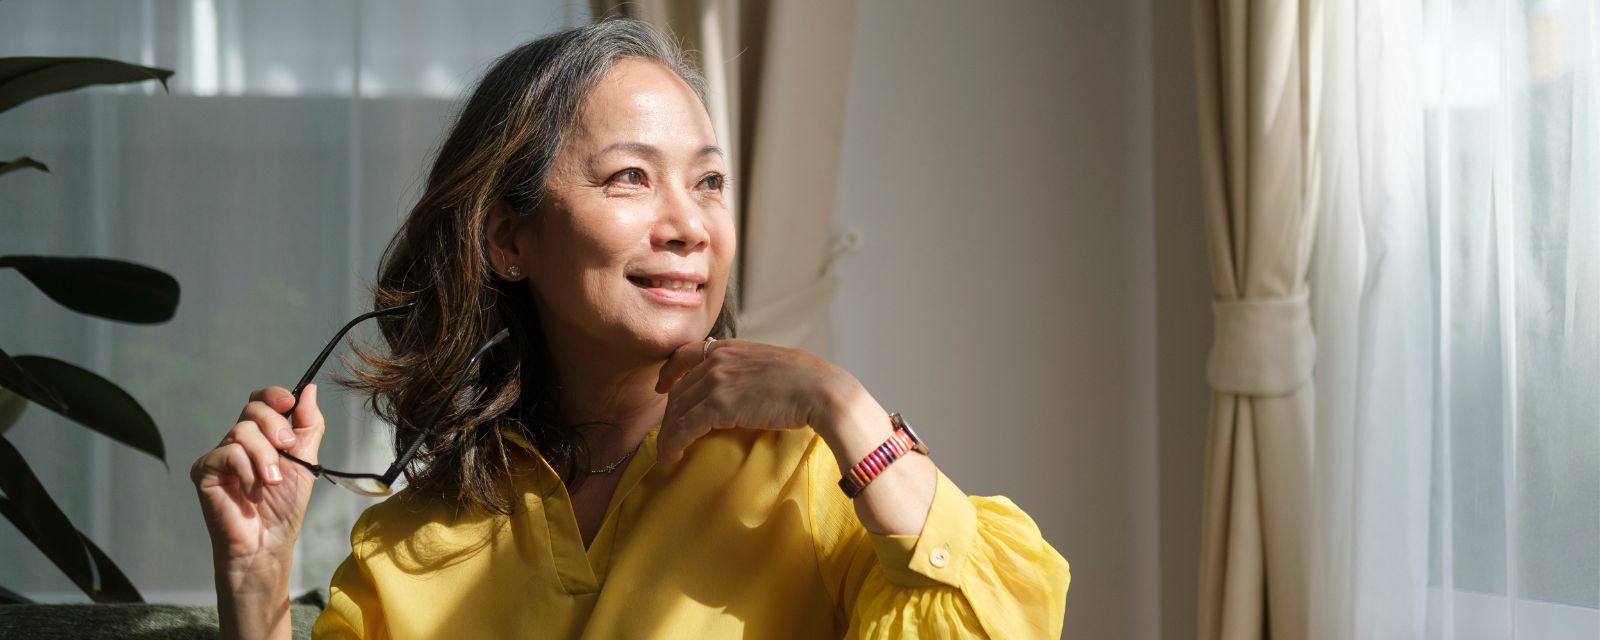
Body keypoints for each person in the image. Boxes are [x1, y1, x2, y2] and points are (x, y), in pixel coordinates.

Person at [192, 18, 1069, 639]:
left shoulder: (809, 478)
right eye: (629, 178)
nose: (689, 225)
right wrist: (256, 581)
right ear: (509, 240)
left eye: (709, 182)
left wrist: (845, 407)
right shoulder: (412, 543)